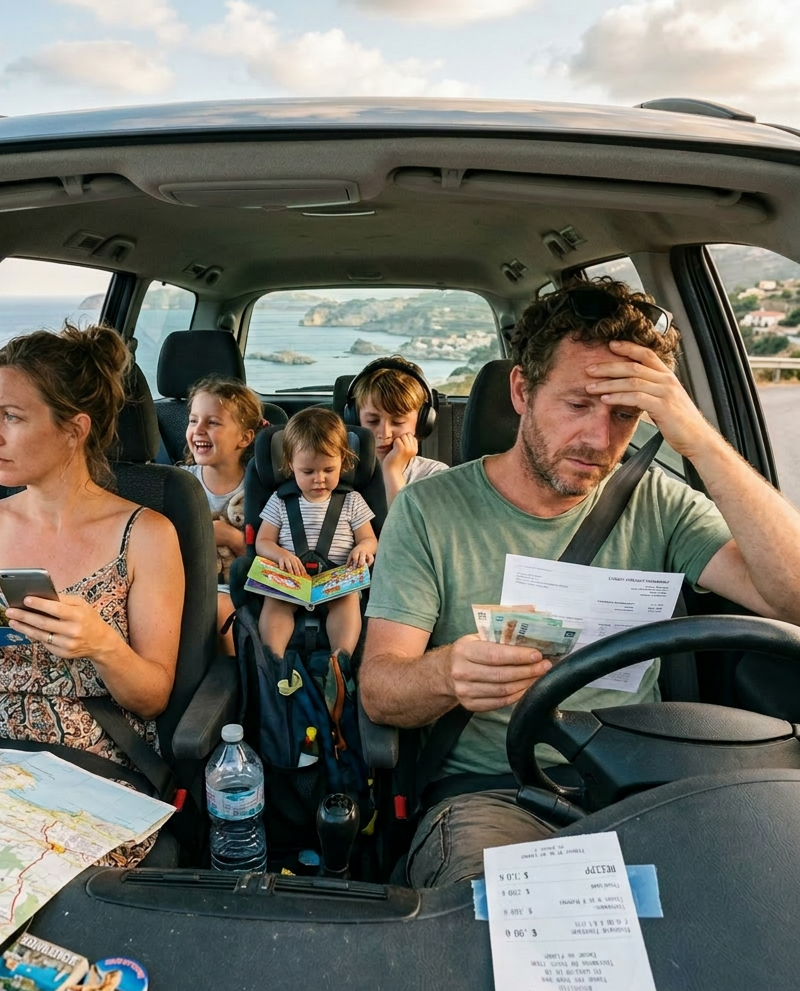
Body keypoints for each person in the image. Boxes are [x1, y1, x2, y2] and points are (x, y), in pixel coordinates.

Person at [359, 277, 800, 888]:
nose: (600, 439)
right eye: (576, 405)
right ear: (522, 390)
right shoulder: (429, 510)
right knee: (503, 930)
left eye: (625, 415)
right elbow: (380, 689)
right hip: (499, 792)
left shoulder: (660, 502)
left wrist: (698, 441)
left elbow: (793, 596)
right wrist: (446, 673)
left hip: (645, 779)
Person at [0, 322, 185, 867]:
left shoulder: (148, 535)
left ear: (74, 428)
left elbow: (152, 698)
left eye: (13, 417)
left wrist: (102, 644)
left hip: (87, 757)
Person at [255, 407, 377, 660]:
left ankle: (339, 661)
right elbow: (262, 541)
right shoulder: (280, 501)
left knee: (347, 602)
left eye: (328, 470)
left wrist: (362, 549)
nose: (319, 479)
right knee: (276, 603)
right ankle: (273, 661)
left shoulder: (352, 500)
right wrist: (279, 555)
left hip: (336, 579)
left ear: (343, 461)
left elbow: (369, 539)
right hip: (291, 577)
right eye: (308, 472)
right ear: (291, 465)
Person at [180, 374, 264, 656]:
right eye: (193, 421)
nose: (198, 430)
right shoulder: (178, 483)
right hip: (186, 584)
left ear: (244, 437)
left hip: (240, 591)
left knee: (218, 608)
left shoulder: (259, 489)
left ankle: (229, 685)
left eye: (212, 422)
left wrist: (232, 538)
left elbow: (271, 565)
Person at [350, 357, 448, 506]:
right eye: (372, 421)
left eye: (398, 422)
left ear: (423, 422)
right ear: (355, 419)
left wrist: (393, 470)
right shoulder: (336, 469)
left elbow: (403, 528)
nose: (384, 434)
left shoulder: (434, 475)